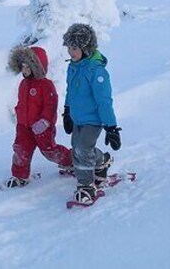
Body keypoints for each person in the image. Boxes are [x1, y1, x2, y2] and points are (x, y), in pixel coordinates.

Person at [62, 23, 123, 205]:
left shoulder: (97, 71)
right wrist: (67, 111)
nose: (71, 52)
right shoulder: (73, 67)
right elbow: (70, 91)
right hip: (77, 117)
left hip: (93, 120)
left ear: (86, 48)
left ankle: (86, 185)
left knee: (82, 148)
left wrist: (111, 127)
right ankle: (102, 161)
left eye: (75, 48)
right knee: (77, 147)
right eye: (69, 48)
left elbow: (104, 101)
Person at [3, 45, 73, 189]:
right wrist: (19, 115)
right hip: (24, 127)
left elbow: (51, 106)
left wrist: (45, 122)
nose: (24, 70)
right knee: (20, 150)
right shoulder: (23, 84)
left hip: (42, 128)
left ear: (37, 67)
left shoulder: (46, 85)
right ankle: (19, 176)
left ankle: (71, 161)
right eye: (22, 67)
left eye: (28, 67)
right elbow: (22, 103)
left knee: (50, 152)